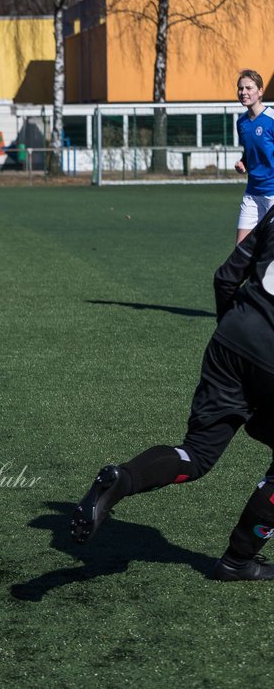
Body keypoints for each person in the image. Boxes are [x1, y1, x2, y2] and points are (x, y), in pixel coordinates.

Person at [71, 205, 274, 580]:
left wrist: (233, 332)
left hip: (232, 336)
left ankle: (123, 478)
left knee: (195, 454)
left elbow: (226, 277)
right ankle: (237, 560)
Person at [234, 69, 274, 244]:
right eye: (240, 88)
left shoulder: (271, 119)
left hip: (272, 194)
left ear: (260, 91)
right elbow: (251, 151)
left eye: (249, 88)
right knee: (241, 249)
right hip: (252, 193)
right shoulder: (241, 123)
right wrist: (244, 162)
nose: (244, 92)